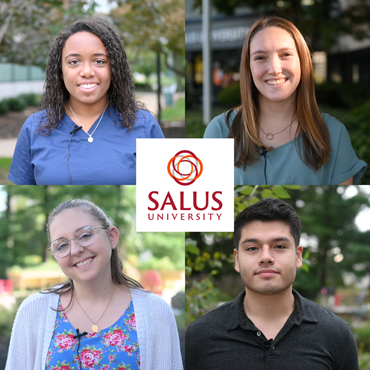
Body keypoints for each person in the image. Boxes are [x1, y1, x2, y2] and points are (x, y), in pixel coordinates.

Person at [5, 199, 183, 370]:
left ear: (112, 237)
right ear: (55, 257)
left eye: (85, 235)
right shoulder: (33, 311)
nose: (75, 250)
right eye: (61, 246)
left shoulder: (155, 312)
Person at [185, 198, 359, 370]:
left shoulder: (336, 334)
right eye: (252, 248)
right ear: (237, 260)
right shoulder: (200, 335)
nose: (266, 257)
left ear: (298, 256)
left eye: (280, 246)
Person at [203, 16, 367, 185]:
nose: (274, 69)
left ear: (302, 63)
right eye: (260, 57)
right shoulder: (220, 131)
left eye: (285, 54)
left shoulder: (334, 133)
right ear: (248, 68)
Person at [8, 18, 164, 185]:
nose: (87, 72)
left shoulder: (144, 126)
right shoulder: (34, 128)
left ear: (114, 69)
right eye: (74, 62)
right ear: (60, 71)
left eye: (99, 61)